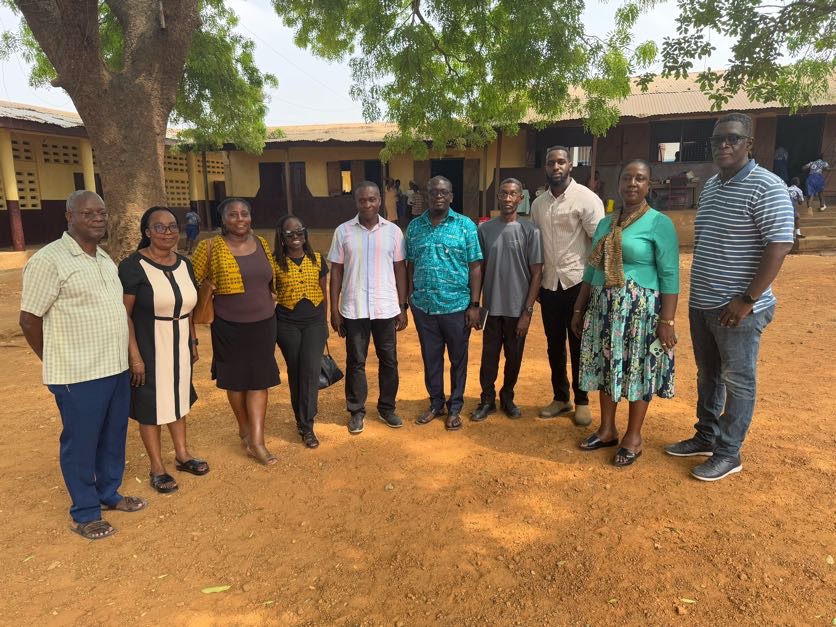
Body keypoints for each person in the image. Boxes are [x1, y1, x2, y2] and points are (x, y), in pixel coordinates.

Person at [665, 112, 794, 481]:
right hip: (703, 303)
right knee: (709, 376)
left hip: (739, 308)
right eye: (718, 139)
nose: (723, 145)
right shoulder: (711, 185)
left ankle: (729, 452)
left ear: (749, 144)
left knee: (739, 381)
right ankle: (706, 435)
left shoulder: (766, 186)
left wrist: (748, 299)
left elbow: (779, 245)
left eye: (733, 138)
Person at [19, 190, 147, 540]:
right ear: (69, 217)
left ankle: (108, 493)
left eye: (102, 213)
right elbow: (29, 319)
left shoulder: (103, 258)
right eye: (88, 213)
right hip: (78, 374)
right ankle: (85, 512)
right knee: (81, 442)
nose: (98, 218)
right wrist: (56, 360)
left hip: (114, 367)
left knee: (113, 436)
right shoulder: (50, 260)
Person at [571, 160, 680, 467]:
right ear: (619, 183)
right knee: (606, 367)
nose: (633, 183)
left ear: (649, 185)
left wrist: (667, 321)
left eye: (640, 178)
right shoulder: (607, 223)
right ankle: (607, 430)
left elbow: (670, 275)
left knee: (637, 370)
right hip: (604, 308)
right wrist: (579, 308)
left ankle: (633, 436)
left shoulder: (660, 223)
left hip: (640, 313)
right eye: (627, 178)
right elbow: (592, 268)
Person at [119, 207, 208, 494]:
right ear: (147, 232)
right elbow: (125, 315)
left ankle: (182, 454)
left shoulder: (184, 263)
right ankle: (157, 466)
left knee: (179, 397)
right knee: (150, 405)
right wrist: (134, 356)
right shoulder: (133, 266)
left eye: (172, 227)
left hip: (180, 340)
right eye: (160, 227)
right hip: (148, 344)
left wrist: (193, 340)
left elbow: (188, 306)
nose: (168, 232)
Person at [192, 198, 282, 465]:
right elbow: (191, 282)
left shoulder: (262, 244)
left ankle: (256, 441)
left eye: (244, 214)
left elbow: (270, 278)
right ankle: (243, 427)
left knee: (259, 380)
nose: (240, 219)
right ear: (224, 219)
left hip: (264, 323)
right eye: (233, 214)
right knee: (236, 381)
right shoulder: (208, 247)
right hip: (228, 326)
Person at [531, 145, 605, 426]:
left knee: (579, 344)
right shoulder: (538, 204)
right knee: (554, 345)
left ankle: (583, 401)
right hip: (549, 285)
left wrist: (594, 286)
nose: (556, 167)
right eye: (551, 163)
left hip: (577, 284)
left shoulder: (586, 199)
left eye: (561, 162)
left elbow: (599, 244)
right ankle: (561, 397)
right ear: (546, 167)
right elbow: (535, 244)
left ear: (570, 165)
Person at [328, 182, 409, 434]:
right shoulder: (343, 232)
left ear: (379, 201)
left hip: (385, 307)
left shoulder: (394, 232)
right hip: (354, 308)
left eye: (372, 199)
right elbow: (337, 271)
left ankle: (387, 408)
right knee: (356, 362)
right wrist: (334, 309)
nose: (368, 204)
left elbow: (400, 270)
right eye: (363, 200)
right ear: (356, 203)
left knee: (389, 361)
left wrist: (402, 306)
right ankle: (356, 411)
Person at [406, 175, 483, 431]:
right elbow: (411, 265)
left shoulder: (465, 226)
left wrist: (474, 304)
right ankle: (436, 403)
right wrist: (410, 298)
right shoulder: (415, 227)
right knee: (431, 359)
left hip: (456, 307)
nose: (438, 196)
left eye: (443, 192)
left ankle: (455, 407)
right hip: (424, 307)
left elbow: (475, 267)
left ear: (451, 196)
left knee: (458, 359)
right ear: (427, 196)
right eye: (433, 192)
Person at [471, 178, 543, 421]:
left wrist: (527, 311)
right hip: (492, 308)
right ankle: (487, 399)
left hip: (517, 310)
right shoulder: (485, 230)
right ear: (498, 197)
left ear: (521, 198)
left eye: (514, 194)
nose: (508, 198)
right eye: (504, 193)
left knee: (514, 357)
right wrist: (477, 305)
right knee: (488, 357)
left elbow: (536, 274)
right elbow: (478, 268)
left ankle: (508, 396)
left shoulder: (530, 231)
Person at [274, 214, 329, 448]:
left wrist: (326, 323)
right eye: (290, 233)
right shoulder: (274, 262)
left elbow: (324, 291)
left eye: (299, 231)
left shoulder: (318, 259)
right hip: (286, 324)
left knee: (310, 370)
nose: (296, 237)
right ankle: (300, 420)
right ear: (282, 238)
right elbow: (269, 294)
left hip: (314, 322)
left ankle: (307, 426)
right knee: (296, 372)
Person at [787, 178, 805, 242]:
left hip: (784, 204)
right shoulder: (798, 190)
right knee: (796, 217)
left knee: (794, 217)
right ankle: (797, 233)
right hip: (791, 205)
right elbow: (801, 202)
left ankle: (794, 234)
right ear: (798, 183)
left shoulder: (787, 188)